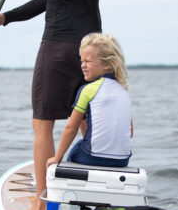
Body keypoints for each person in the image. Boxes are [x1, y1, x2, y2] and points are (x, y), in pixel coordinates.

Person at [0, 0, 102, 210]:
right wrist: (8, 17)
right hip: (95, 47)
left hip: (60, 45)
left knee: (42, 123)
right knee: (87, 120)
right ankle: (96, 205)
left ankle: (42, 209)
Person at [46, 33, 133, 169]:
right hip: (122, 160)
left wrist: (57, 157)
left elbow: (71, 128)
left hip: (91, 156)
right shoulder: (124, 90)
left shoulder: (87, 89)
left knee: (77, 149)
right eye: (82, 61)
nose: (82, 65)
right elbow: (130, 131)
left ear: (106, 65)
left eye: (87, 61)